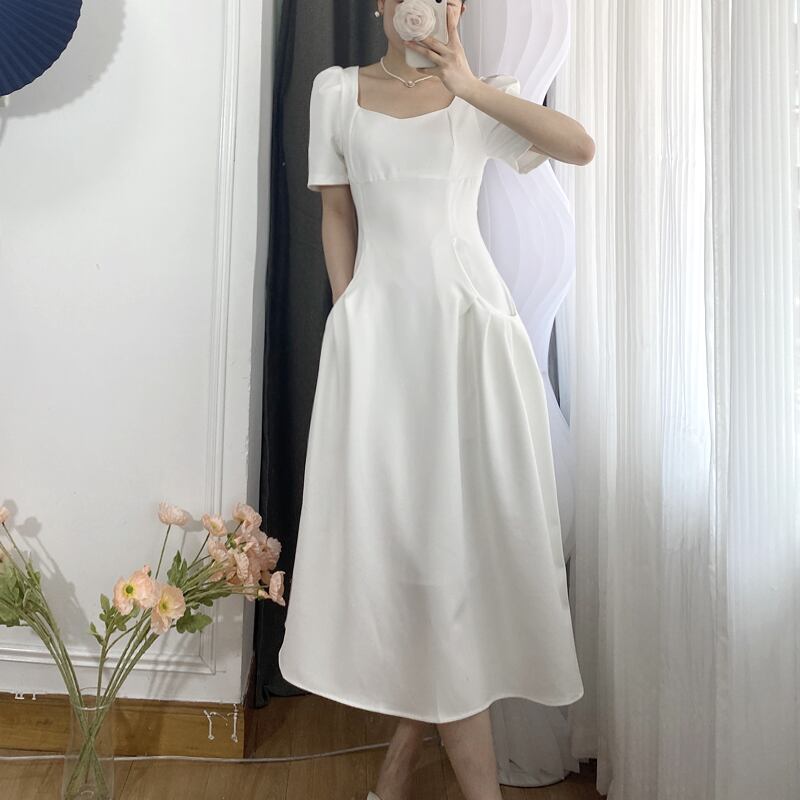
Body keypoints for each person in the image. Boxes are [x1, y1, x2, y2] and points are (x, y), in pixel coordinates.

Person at [277, 2, 596, 799]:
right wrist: (348, 313)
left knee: (455, 554)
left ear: (456, 10)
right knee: (408, 549)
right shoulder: (335, 91)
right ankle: (406, 760)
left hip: (468, 340)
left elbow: (580, 147)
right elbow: (336, 211)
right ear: (382, 6)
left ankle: (404, 764)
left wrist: (469, 86)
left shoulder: (483, 94)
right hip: (379, 342)